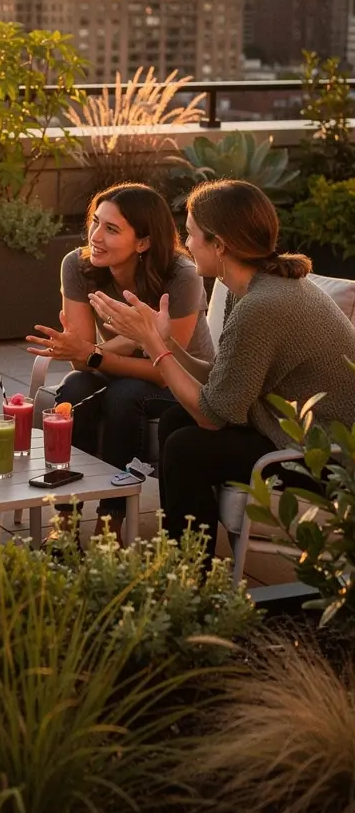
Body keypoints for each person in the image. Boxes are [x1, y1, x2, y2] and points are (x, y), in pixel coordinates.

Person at [88, 179, 355, 557]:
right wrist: (165, 342)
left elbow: (213, 416)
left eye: (192, 234)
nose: (186, 243)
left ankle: (190, 570)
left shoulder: (262, 305)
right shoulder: (247, 288)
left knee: (187, 447)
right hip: (286, 432)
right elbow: (220, 378)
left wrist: (153, 346)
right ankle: (184, 555)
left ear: (220, 245)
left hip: (326, 459)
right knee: (175, 420)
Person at [27, 182, 213, 543]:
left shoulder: (181, 275)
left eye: (111, 229)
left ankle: (110, 523)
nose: (95, 236)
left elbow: (164, 372)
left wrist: (97, 353)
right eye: (95, 222)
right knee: (75, 389)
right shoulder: (78, 266)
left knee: (124, 396)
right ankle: (65, 517)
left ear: (143, 242)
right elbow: (82, 363)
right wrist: (91, 352)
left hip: (186, 382)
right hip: (120, 370)